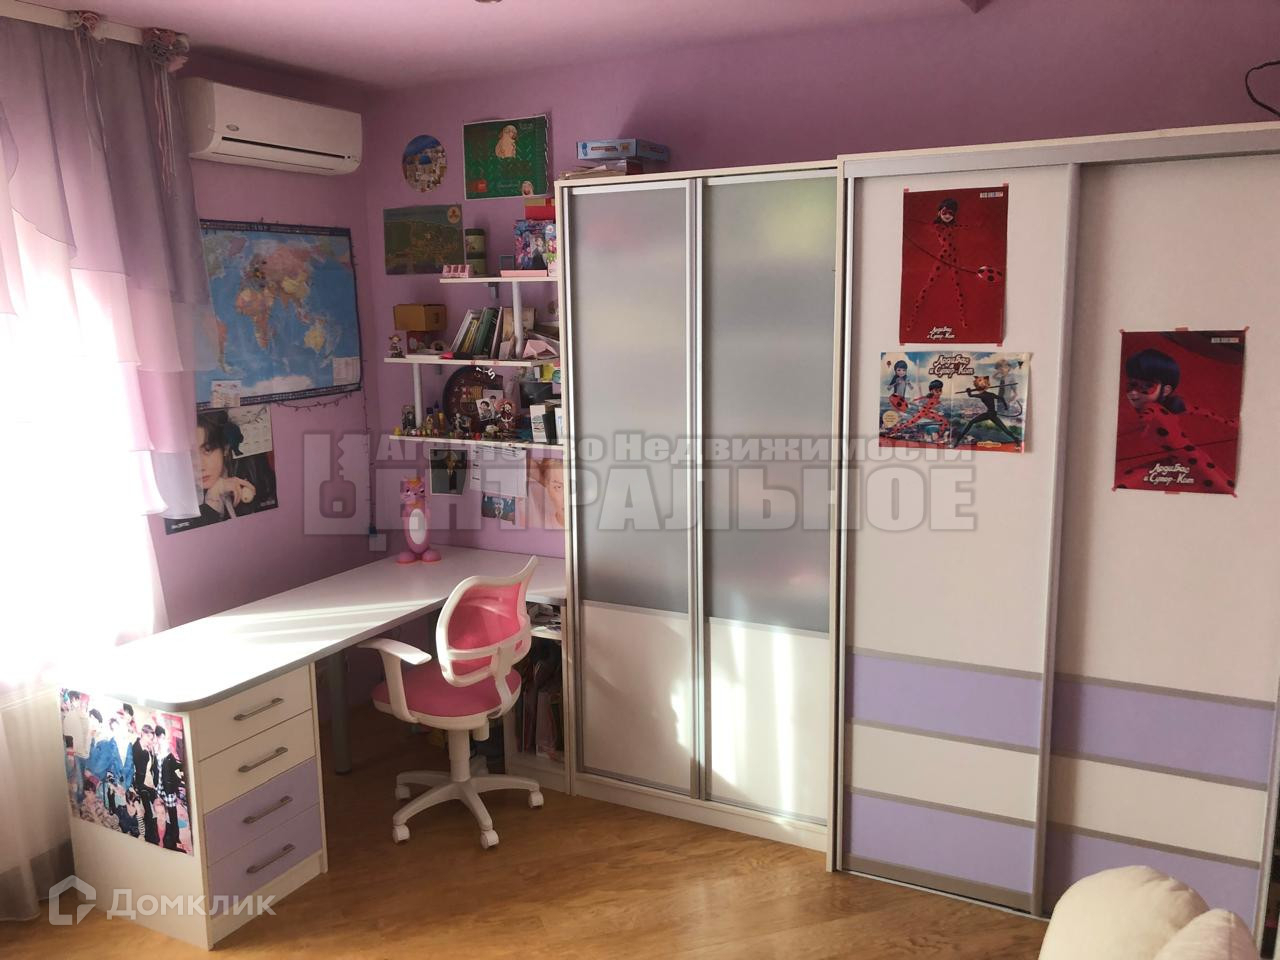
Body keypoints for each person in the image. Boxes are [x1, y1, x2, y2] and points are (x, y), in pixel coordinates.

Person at [1116, 347, 1237, 492]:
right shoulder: (1176, 405)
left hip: (1194, 464)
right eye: (1132, 384)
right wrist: (1231, 423)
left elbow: (1134, 426)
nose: (1134, 392)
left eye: (1147, 386)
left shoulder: (1150, 409)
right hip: (1184, 461)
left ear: (1166, 390)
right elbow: (1205, 413)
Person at [195, 410, 275, 524]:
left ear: (225, 448)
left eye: (207, 450)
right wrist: (212, 499)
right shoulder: (177, 497)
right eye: (190, 454)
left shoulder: (252, 471)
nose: (200, 466)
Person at [953, 375, 1020, 447]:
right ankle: (1016, 439)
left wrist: (968, 391)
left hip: (990, 414)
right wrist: (1006, 407)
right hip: (991, 414)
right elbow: (1001, 398)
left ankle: (958, 440)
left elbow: (970, 395)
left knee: (971, 422)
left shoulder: (982, 395)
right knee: (1004, 429)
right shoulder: (990, 394)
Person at [155, 725, 184, 852]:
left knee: (172, 815)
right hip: (159, 789)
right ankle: (165, 836)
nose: (161, 740)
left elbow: (177, 767)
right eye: (159, 737)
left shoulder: (168, 755)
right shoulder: (156, 753)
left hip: (168, 790)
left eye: (163, 737)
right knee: (161, 815)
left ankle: (176, 838)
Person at [131, 724, 160, 844]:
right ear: (142, 734)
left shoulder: (149, 749)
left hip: (150, 783)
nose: (150, 740)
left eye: (151, 738)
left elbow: (154, 768)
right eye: (148, 737)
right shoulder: (136, 748)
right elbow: (138, 768)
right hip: (141, 784)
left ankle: (156, 836)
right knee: (149, 812)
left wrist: (153, 753)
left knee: (157, 811)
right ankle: (150, 839)